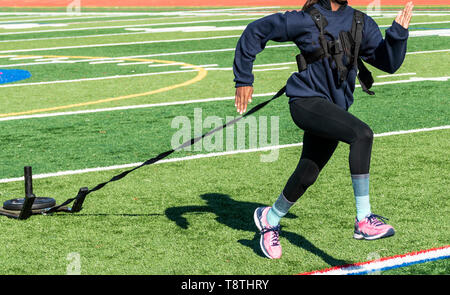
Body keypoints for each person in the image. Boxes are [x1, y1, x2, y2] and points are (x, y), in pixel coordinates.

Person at [233, 0, 414, 259]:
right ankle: (364, 219)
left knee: (307, 173)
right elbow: (255, 31)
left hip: (334, 110)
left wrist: (397, 34)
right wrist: (244, 78)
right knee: (361, 134)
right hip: (305, 103)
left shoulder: (360, 21)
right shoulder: (305, 20)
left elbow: (389, 63)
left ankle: (269, 218)